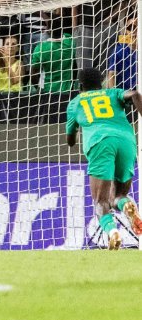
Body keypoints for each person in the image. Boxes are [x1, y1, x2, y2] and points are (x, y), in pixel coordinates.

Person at [66, 67, 142, 250]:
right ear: (100, 82)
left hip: (100, 142)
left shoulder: (75, 103)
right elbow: (134, 94)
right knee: (119, 195)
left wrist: (74, 132)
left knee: (101, 202)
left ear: (80, 85)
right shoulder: (112, 92)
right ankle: (126, 207)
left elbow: (70, 141)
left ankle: (112, 233)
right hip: (126, 141)